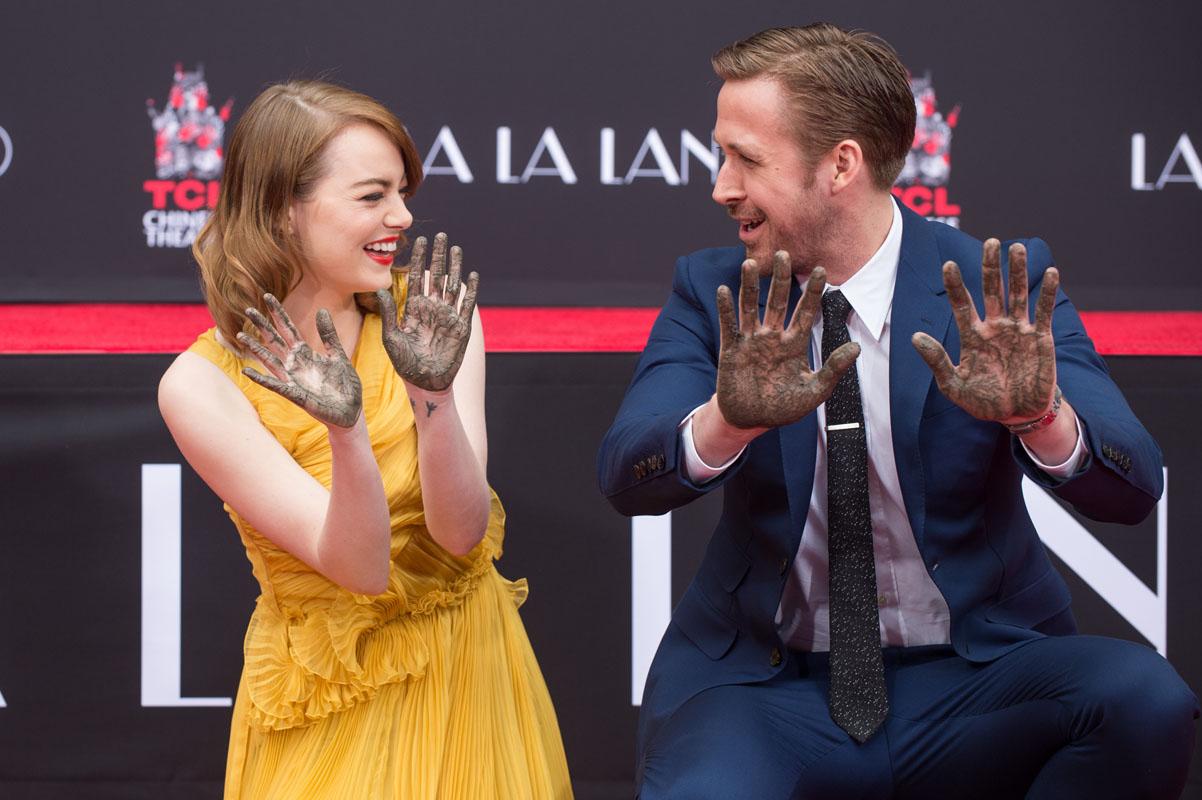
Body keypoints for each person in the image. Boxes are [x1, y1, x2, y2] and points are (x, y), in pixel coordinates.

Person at [597, 24, 1198, 799]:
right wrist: (729, 420)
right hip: (764, 689)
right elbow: (627, 474)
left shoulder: (994, 293)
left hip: (970, 681)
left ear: (840, 164)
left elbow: (1133, 486)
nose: (720, 185)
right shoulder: (713, 293)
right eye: (722, 155)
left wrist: (1040, 418)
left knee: (1144, 702)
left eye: (746, 158)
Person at [158, 80, 571, 799]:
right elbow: (358, 568)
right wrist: (345, 433)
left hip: (470, 672)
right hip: (329, 699)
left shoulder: (433, 319)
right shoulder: (201, 387)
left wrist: (431, 397)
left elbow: (461, 533)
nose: (402, 217)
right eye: (372, 195)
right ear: (285, 211)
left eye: (403, 192)